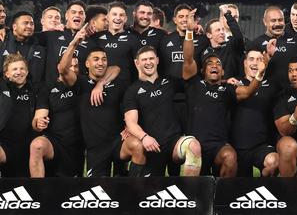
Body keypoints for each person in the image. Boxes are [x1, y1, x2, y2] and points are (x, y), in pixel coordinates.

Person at [181, 11, 268, 177]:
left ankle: (223, 196)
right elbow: (188, 59)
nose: (214, 65)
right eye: (210, 63)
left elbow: (248, 91)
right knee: (196, 186)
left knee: (230, 156)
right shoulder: (193, 84)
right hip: (195, 145)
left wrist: (259, 75)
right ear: (202, 70)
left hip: (219, 146)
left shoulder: (227, 89)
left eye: (218, 63)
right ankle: (193, 200)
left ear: (223, 72)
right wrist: (190, 31)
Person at [59, 29, 147, 177]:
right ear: (87, 63)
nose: (101, 63)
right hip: (96, 149)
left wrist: (100, 84)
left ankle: (133, 188)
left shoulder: (117, 84)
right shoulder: (80, 82)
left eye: (104, 59)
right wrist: (74, 43)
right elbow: (62, 69)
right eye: (96, 59)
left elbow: (116, 68)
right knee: (99, 190)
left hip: (118, 141)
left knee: (138, 147)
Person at [123, 46, 202, 177]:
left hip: (174, 144)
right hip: (151, 147)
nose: (148, 62)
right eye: (144, 60)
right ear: (137, 63)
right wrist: (144, 137)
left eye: (151, 58)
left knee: (193, 146)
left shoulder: (170, 81)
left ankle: (190, 193)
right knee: (145, 192)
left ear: (157, 60)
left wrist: (224, 81)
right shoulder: (132, 91)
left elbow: (191, 76)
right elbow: (131, 122)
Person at [29, 57, 83, 177]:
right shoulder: (48, 88)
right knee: (37, 145)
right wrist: (39, 123)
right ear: (60, 67)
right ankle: (37, 191)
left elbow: (115, 69)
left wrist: (100, 83)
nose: (73, 69)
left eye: (76, 66)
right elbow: (38, 119)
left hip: (79, 143)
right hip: (55, 142)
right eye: (70, 66)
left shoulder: (83, 84)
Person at [230, 50, 280, 177]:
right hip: (237, 148)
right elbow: (247, 92)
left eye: (259, 59)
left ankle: (265, 192)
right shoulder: (234, 83)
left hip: (261, 145)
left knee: (273, 161)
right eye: (251, 59)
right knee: (240, 188)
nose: (255, 62)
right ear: (245, 63)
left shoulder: (271, 85)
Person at [247, 6, 297, 88]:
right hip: (265, 92)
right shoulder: (255, 44)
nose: (278, 24)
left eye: (280, 20)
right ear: (265, 22)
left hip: (291, 91)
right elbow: (248, 72)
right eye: (273, 21)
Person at [0, 54, 37, 177]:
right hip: (4, 143)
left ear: (27, 72)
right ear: (6, 74)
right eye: (14, 69)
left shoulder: (35, 90)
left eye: (22, 69)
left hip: (27, 145)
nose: (19, 72)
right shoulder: (2, 87)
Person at [88, 1, 140, 83]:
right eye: (114, 14)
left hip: (123, 88)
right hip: (97, 89)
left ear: (125, 18)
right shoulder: (95, 38)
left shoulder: (133, 39)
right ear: (107, 17)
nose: (118, 17)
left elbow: (139, 67)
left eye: (121, 15)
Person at [37, 0, 87, 84]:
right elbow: (26, 36)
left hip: (79, 92)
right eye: (73, 12)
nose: (77, 15)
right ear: (66, 16)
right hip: (53, 92)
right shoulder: (52, 35)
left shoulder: (90, 40)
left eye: (81, 13)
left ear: (85, 17)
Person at [0, 11, 46, 84]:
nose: (29, 26)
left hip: (33, 93)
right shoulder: (2, 42)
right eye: (25, 23)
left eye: (32, 24)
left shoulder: (40, 48)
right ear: (14, 26)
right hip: (5, 92)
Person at [203, 5, 245, 80]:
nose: (222, 32)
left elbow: (239, 37)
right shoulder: (204, 51)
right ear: (209, 35)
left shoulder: (230, 46)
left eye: (222, 29)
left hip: (231, 88)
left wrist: (227, 15)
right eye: (218, 30)